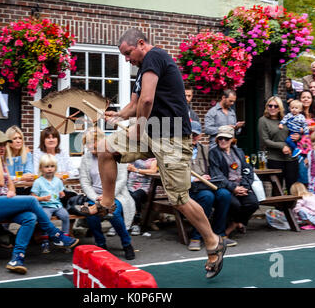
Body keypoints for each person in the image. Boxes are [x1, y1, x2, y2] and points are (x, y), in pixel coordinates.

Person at [82, 28, 227, 278]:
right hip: (152, 132)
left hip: (172, 136)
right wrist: (117, 114)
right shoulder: (142, 70)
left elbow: (147, 101)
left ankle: (213, 241)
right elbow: (136, 105)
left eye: (128, 53)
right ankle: (106, 202)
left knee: (179, 199)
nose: (127, 59)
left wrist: (137, 127)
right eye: (124, 56)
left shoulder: (155, 57)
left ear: (140, 44)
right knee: (105, 148)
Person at [0, 130, 78, 274]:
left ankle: (16, 259)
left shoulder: (0, 161)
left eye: (4, 145)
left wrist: (12, 191)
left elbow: (9, 183)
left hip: (1, 204)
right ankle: (56, 235)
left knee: (30, 218)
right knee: (32, 200)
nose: (2, 147)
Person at [79, 127, 136, 260]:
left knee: (112, 212)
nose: (90, 145)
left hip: (117, 195)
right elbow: (85, 182)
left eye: (93, 141)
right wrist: (95, 197)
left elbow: (122, 179)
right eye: (87, 143)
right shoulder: (86, 158)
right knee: (91, 214)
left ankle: (126, 243)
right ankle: (101, 244)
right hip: (95, 196)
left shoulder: (114, 153)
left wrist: (107, 196)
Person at [188, 121, 234, 250]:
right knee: (207, 197)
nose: (192, 137)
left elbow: (213, 168)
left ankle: (220, 233)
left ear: (200, 135)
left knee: (224, 194)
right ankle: (196, 236)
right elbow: (174, 173)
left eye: (195, 134)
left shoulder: (205, 149)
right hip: (187, 188)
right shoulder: (178, 149)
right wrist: (193, 178)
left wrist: (210, 177)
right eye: (190, 134)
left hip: (205, 185)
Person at [209, 125, 259, 237]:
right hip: (225, 187)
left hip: (241, 185)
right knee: (235, 204)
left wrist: (245, 186)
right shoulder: (214, 153)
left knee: (253, 203)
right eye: (220, 138)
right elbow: (217, 175)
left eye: (226, 138)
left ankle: (234, 224)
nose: (223, 141)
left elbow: (247, 169)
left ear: (232, 139)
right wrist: (233, 188)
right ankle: (230, 227)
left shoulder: (238, 151)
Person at [258, 96, 299, 194]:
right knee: (277, 189)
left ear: (280, 108)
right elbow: (265, 140)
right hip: (275, 159)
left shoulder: (287, 118)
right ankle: (277, 210)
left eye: (276, 106)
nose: (272, 108)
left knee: (292, 188)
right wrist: (282, 146)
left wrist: (298, 136)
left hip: (291, 157)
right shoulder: (263, 120)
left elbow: (295, 130)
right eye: (270, 105)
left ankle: (292, 209)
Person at [31, 154, 70, 254]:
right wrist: (42, 198)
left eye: (52, 166)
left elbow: (61, 192)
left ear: (55, 168)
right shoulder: (38, 182)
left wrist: (62, 194)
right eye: (47, 167)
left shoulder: (58, 181)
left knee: (65, 216)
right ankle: (45, 240)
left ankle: (65, 238)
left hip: (57, 205)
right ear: (41, 168)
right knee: (45, 218)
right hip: (45, 206)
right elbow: (33, 197)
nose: (50, 169)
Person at [127, 157, 158, 235]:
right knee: (124, 196)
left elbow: (153, 171)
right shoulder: (133, 156)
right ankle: (122, 224)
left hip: (144, 186)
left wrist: (136, 170)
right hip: (130, 184)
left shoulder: (153, 159)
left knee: (136, 196)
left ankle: (136, 223)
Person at [5, 125, 35, 195]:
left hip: (21, 188)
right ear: (8, 141)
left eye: (20, 138)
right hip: (6, 190)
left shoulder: (26, 153)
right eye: (15, 138)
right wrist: (20, 178)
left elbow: (29, 173)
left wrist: (20, 178)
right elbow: (4, 177)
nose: (18, 141)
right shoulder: (3, 154)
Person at [297, 90, 315, 184]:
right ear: (300, 99)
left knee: (314, 181)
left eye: (308, 97)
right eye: (303, 97)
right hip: (302, 151)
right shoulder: (296, 114)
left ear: (312, 100)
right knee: (304, 179)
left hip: (314, 151)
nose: (306, 99)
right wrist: (310, 128)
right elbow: (295, 130)